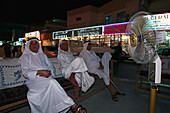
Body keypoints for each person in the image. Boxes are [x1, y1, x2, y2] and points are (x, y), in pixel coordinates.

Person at [19, 37, 86, 113]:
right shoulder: (25, 57)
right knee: (52, 82)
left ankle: (69, 106)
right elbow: (25, 72)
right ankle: (73, 105)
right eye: (32, 43)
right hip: (34, 80)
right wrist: (40, 72)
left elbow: (51, 67)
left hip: (47, 77)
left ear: (39, 45)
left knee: (52, 82)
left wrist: (49, 72)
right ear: (28, 46)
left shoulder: (43, 56)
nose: (34, 45)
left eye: (36, 43)